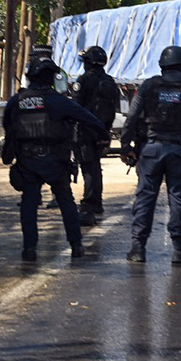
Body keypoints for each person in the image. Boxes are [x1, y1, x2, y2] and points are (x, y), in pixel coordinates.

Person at [3, 58, 109, 262]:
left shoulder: (16, 101)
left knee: (29, 203)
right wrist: (103, 135)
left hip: (27, 160)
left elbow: (9, 128)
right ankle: (76, 245)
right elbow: (87, 117)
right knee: (66, 201)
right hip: (55, 160)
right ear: (51, 78)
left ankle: (29, 249)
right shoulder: (58, 101)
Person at [120, 46, 181, 265]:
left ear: (162, 65)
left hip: (151, 150)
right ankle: (180, 251)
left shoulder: (149, 87)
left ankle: (138, 249)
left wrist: (125, 147)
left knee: (145, 197)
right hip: (179, 152)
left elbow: (131, 118)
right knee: (178, 197)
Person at [71, 46, 118, 226]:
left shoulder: (83, 81)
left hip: (85, 130)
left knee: (88, 168)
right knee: (95, 166)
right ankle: (96, 202)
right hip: (103, 130)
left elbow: (76, 107)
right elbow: (113, 108)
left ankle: (89, 204)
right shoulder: (109, 81)